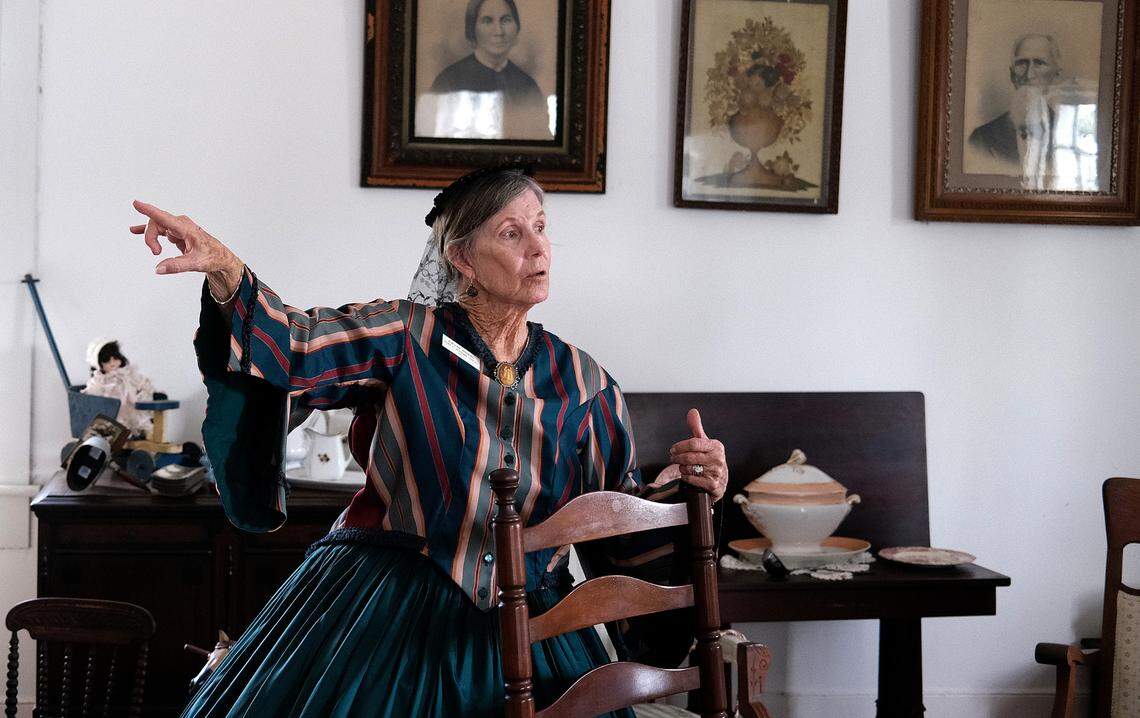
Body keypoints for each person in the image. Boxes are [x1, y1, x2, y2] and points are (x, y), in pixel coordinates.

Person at [129, 164, 729, 718]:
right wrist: (226, 269)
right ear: (461, 257)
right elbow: (294, 348)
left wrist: (692, 484)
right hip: (388, 609)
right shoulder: (404, 336)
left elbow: (617, 526)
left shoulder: (587, 386)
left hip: (539, 626)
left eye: (542, 228)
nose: (539, 247)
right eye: (512, 233)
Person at [423, 0, 552, 140]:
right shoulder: (448, 81)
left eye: (506, 20)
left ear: (516, 27)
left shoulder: (528, 86)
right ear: (472, 29)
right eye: (487, 21)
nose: (499, 31)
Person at [968, 34, 1063, 179]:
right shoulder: (981, 139)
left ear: (1056, 74)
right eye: (1021, 63)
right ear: (1012, 74)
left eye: (1039, 63)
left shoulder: (1068, 136)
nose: (1029, 75)